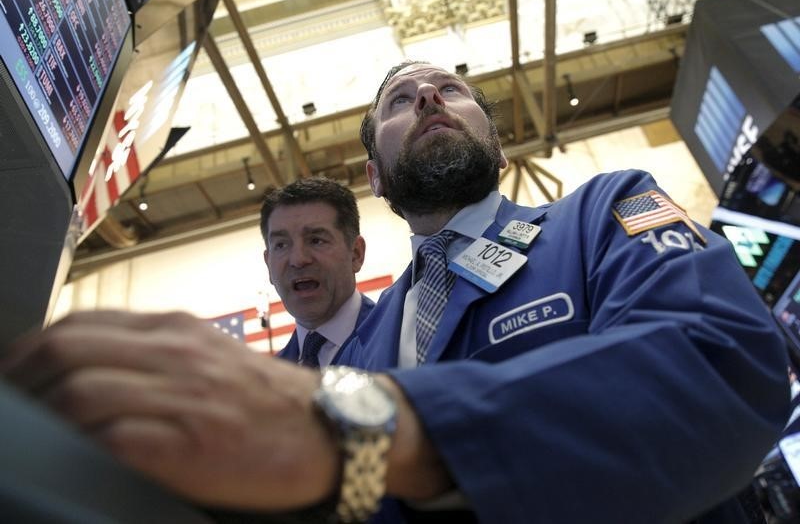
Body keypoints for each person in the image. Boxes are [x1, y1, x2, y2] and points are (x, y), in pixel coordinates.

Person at [0, 61, 790, 524]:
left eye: (451, 89)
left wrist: (380, 429)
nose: (431, 99)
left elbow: (723, 359)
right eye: (400, 101)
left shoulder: (597, 215)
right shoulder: (373, 342)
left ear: (494, 137)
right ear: (375, 176)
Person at [260, 177, 373, 368]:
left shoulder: (402, 339)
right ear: (268, 265)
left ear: (356, 254)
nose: (298, 259)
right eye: (281, 245)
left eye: (316, 240)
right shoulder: (268, 383)